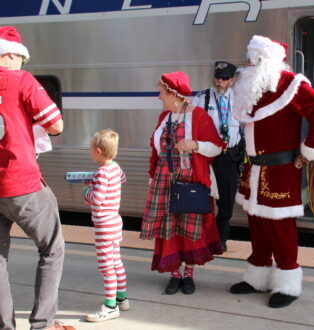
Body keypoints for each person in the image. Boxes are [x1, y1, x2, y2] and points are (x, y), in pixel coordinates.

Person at [230, 35, 314, 308]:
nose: (247, 64)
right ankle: (257, 276)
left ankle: (287, 282)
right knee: (258, 224)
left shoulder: (290, 84)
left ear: (266, 60)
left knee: (280, 226)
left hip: (280, 169)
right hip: (254, 169)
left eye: (253, 59)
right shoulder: (256, 87)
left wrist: (310, 148)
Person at [0, 26, 75, 330]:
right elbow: (55, 124)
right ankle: (42, 324)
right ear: (11, 55)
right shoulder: (21, 80)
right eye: (21, 59)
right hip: (21, 182)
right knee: (52, 248)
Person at [141, 71, 225, 295]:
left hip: (191, 181)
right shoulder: (164, 117)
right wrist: (153, 177)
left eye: (161, 93)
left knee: (190, 229)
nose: (159, 97)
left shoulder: (198, 116)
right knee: (169, 229)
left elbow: (217, 146)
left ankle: (189, 275)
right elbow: (155, 152)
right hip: (165, 181)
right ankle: (174, 274)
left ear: (174, 94)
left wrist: (195, 145)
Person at [192, 61, 243, 252]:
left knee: (226, 200)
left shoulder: (239, 99)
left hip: (228, 156)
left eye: (224, 78)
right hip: (206, 156)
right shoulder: (202, 98)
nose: (219, 82)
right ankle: (205, 236)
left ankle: (221, 237)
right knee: (204, 197)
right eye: (217, 77)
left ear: (232, 80)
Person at [82, 129, 129, 322]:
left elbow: (98, 198)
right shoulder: (115, 168)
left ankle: (110, 306)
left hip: (104, 225)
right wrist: (97, 182)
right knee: (116, 261)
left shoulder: (102, 172)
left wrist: (87, 189)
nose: (90, 151)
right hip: (115, 222)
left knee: (105, 266)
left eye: (91, 149)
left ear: (98, 151)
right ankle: (122, 298)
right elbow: (122, 179)